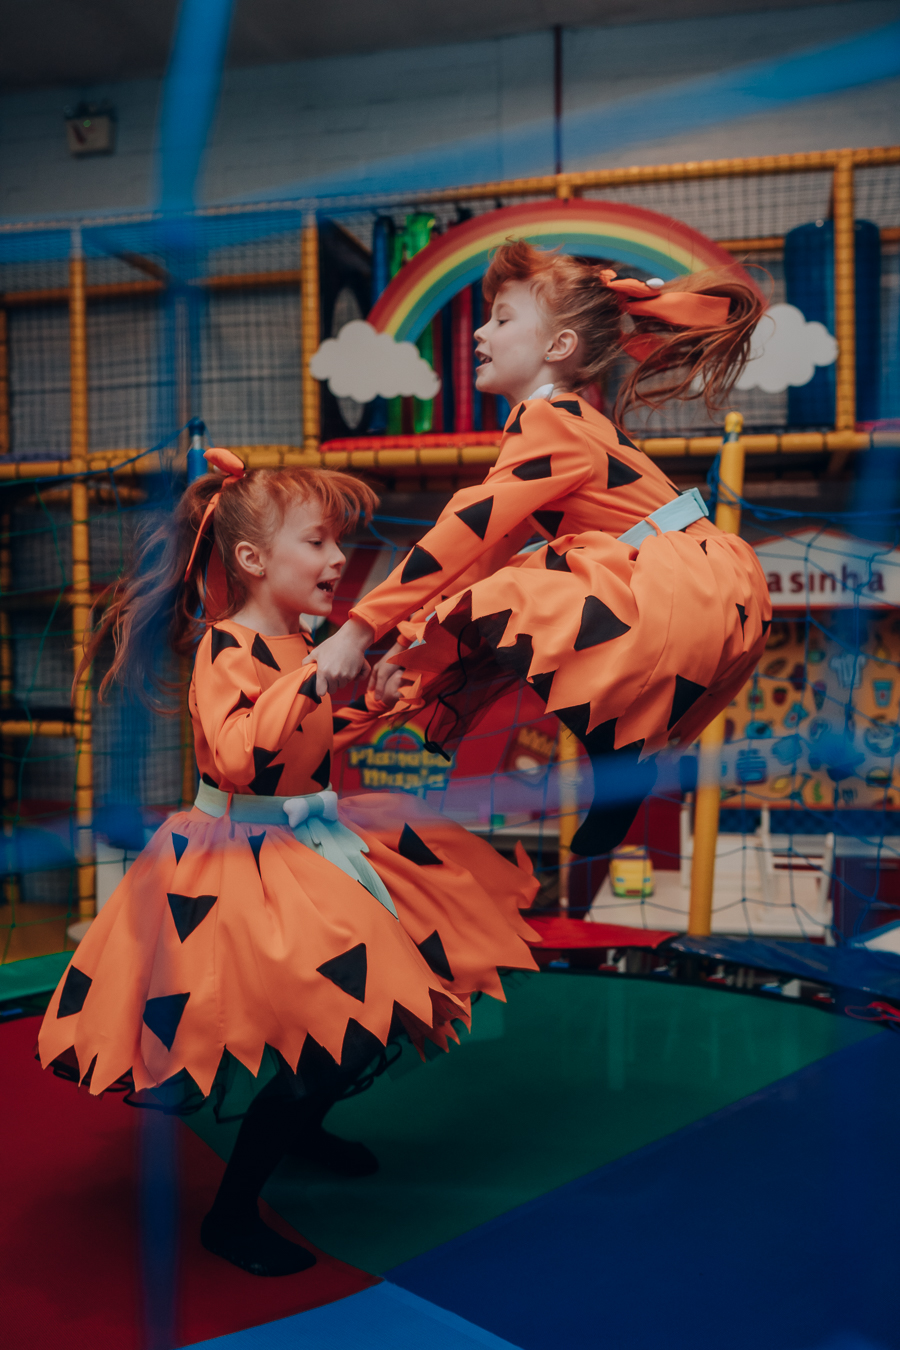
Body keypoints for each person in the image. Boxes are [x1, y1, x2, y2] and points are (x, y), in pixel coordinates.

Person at [37, 453, 539, 1277]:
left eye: (338, 543)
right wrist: (313, 678)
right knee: (327, 1026)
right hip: (237, 861)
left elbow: (309, 739)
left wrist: (370, 697)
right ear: (252, 559)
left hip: (315, 839)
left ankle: (301, 1131)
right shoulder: (226, 647)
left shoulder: (299, 640)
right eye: (318, 542)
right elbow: (240, 755)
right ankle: (231, 1214)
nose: (338, 559)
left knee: (358, 1018)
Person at [309, 241, 773, 855]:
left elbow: (465, 528)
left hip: (682, 589)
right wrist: (410, 644)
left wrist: (358, 630)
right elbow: (484, 551)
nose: (481, 331)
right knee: (507, 584)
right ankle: (622, 758)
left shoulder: (548, 422)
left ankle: (618, 759)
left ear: (558, 346)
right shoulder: (569, 421)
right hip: (717, 592)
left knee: (525, 585)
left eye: (502, 319)